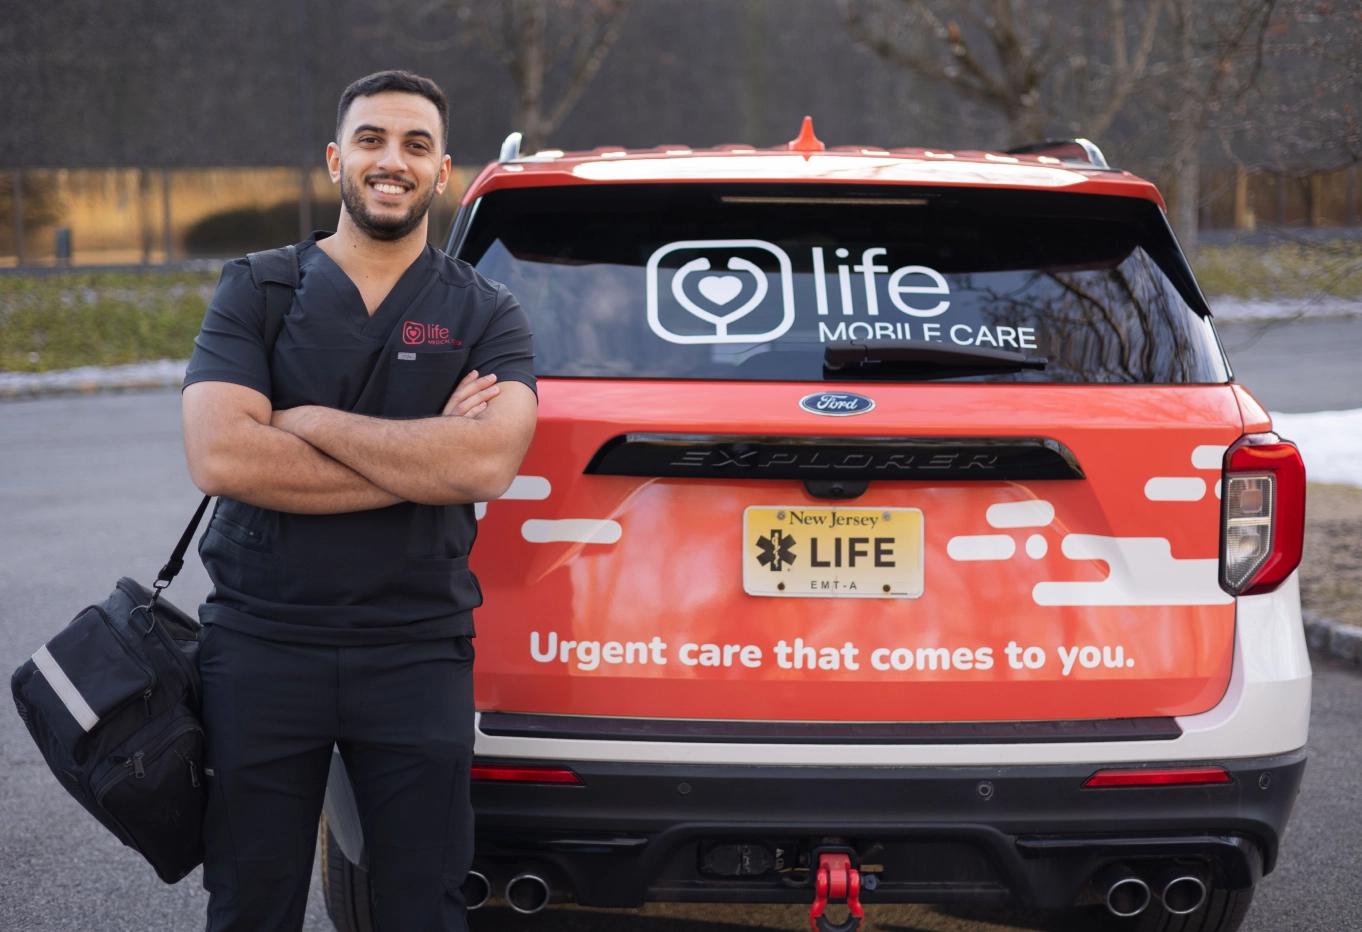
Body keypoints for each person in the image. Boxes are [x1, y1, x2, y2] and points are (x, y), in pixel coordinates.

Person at [180, 70, 537, 932]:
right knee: (249, 904)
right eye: (373, 140)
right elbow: (222, 453)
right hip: (262, 644)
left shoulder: (487, 312)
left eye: (417, 145)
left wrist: (302, 423)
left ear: (442, 172)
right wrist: (423, 454)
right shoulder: (259, 289)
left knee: (424, 905)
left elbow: (485, 465)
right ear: (338, 159)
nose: (393, 161)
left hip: (416, 649)